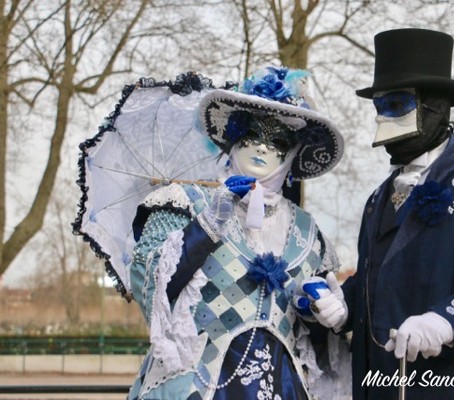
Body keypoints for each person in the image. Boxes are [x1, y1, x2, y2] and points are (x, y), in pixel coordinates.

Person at [301, 28, 454, 399]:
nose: (383, 119)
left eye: (396, 106)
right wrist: (344, 305)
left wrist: (447, 321)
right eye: (380, 107)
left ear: (436, 106)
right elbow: (378, 281)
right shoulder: (377, 199)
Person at [126, 66, 350, 400]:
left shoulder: (307, 231)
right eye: (251, 134)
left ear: (291, 154)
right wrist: (207, 227)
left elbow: (309, 326)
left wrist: (320, 310)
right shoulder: (185, 202)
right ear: (232, 137)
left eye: (277, 141)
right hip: (197, 387)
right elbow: (149, 283)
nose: (261, 147)